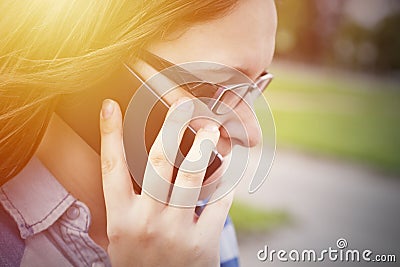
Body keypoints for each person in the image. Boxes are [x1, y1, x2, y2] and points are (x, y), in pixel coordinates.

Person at [0, 0, 277, 266]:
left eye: (256, 86)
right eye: (219, 87)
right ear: (103, 68)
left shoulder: (197, 222)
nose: (251, 135)